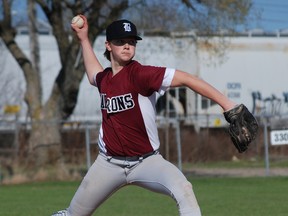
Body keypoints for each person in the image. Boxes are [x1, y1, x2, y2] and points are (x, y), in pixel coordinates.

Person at [52, 15, 237, 216]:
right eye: (120, 41)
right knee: (73, 214)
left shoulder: (141, 74)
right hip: (108, 164)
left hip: (147, 162)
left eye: (131, 42)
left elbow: (187, 79)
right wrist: (83, 39)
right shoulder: (105, 79)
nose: (126, 46)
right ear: (108, 45)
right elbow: (92, 74)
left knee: (184, 190)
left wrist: (228, 105)